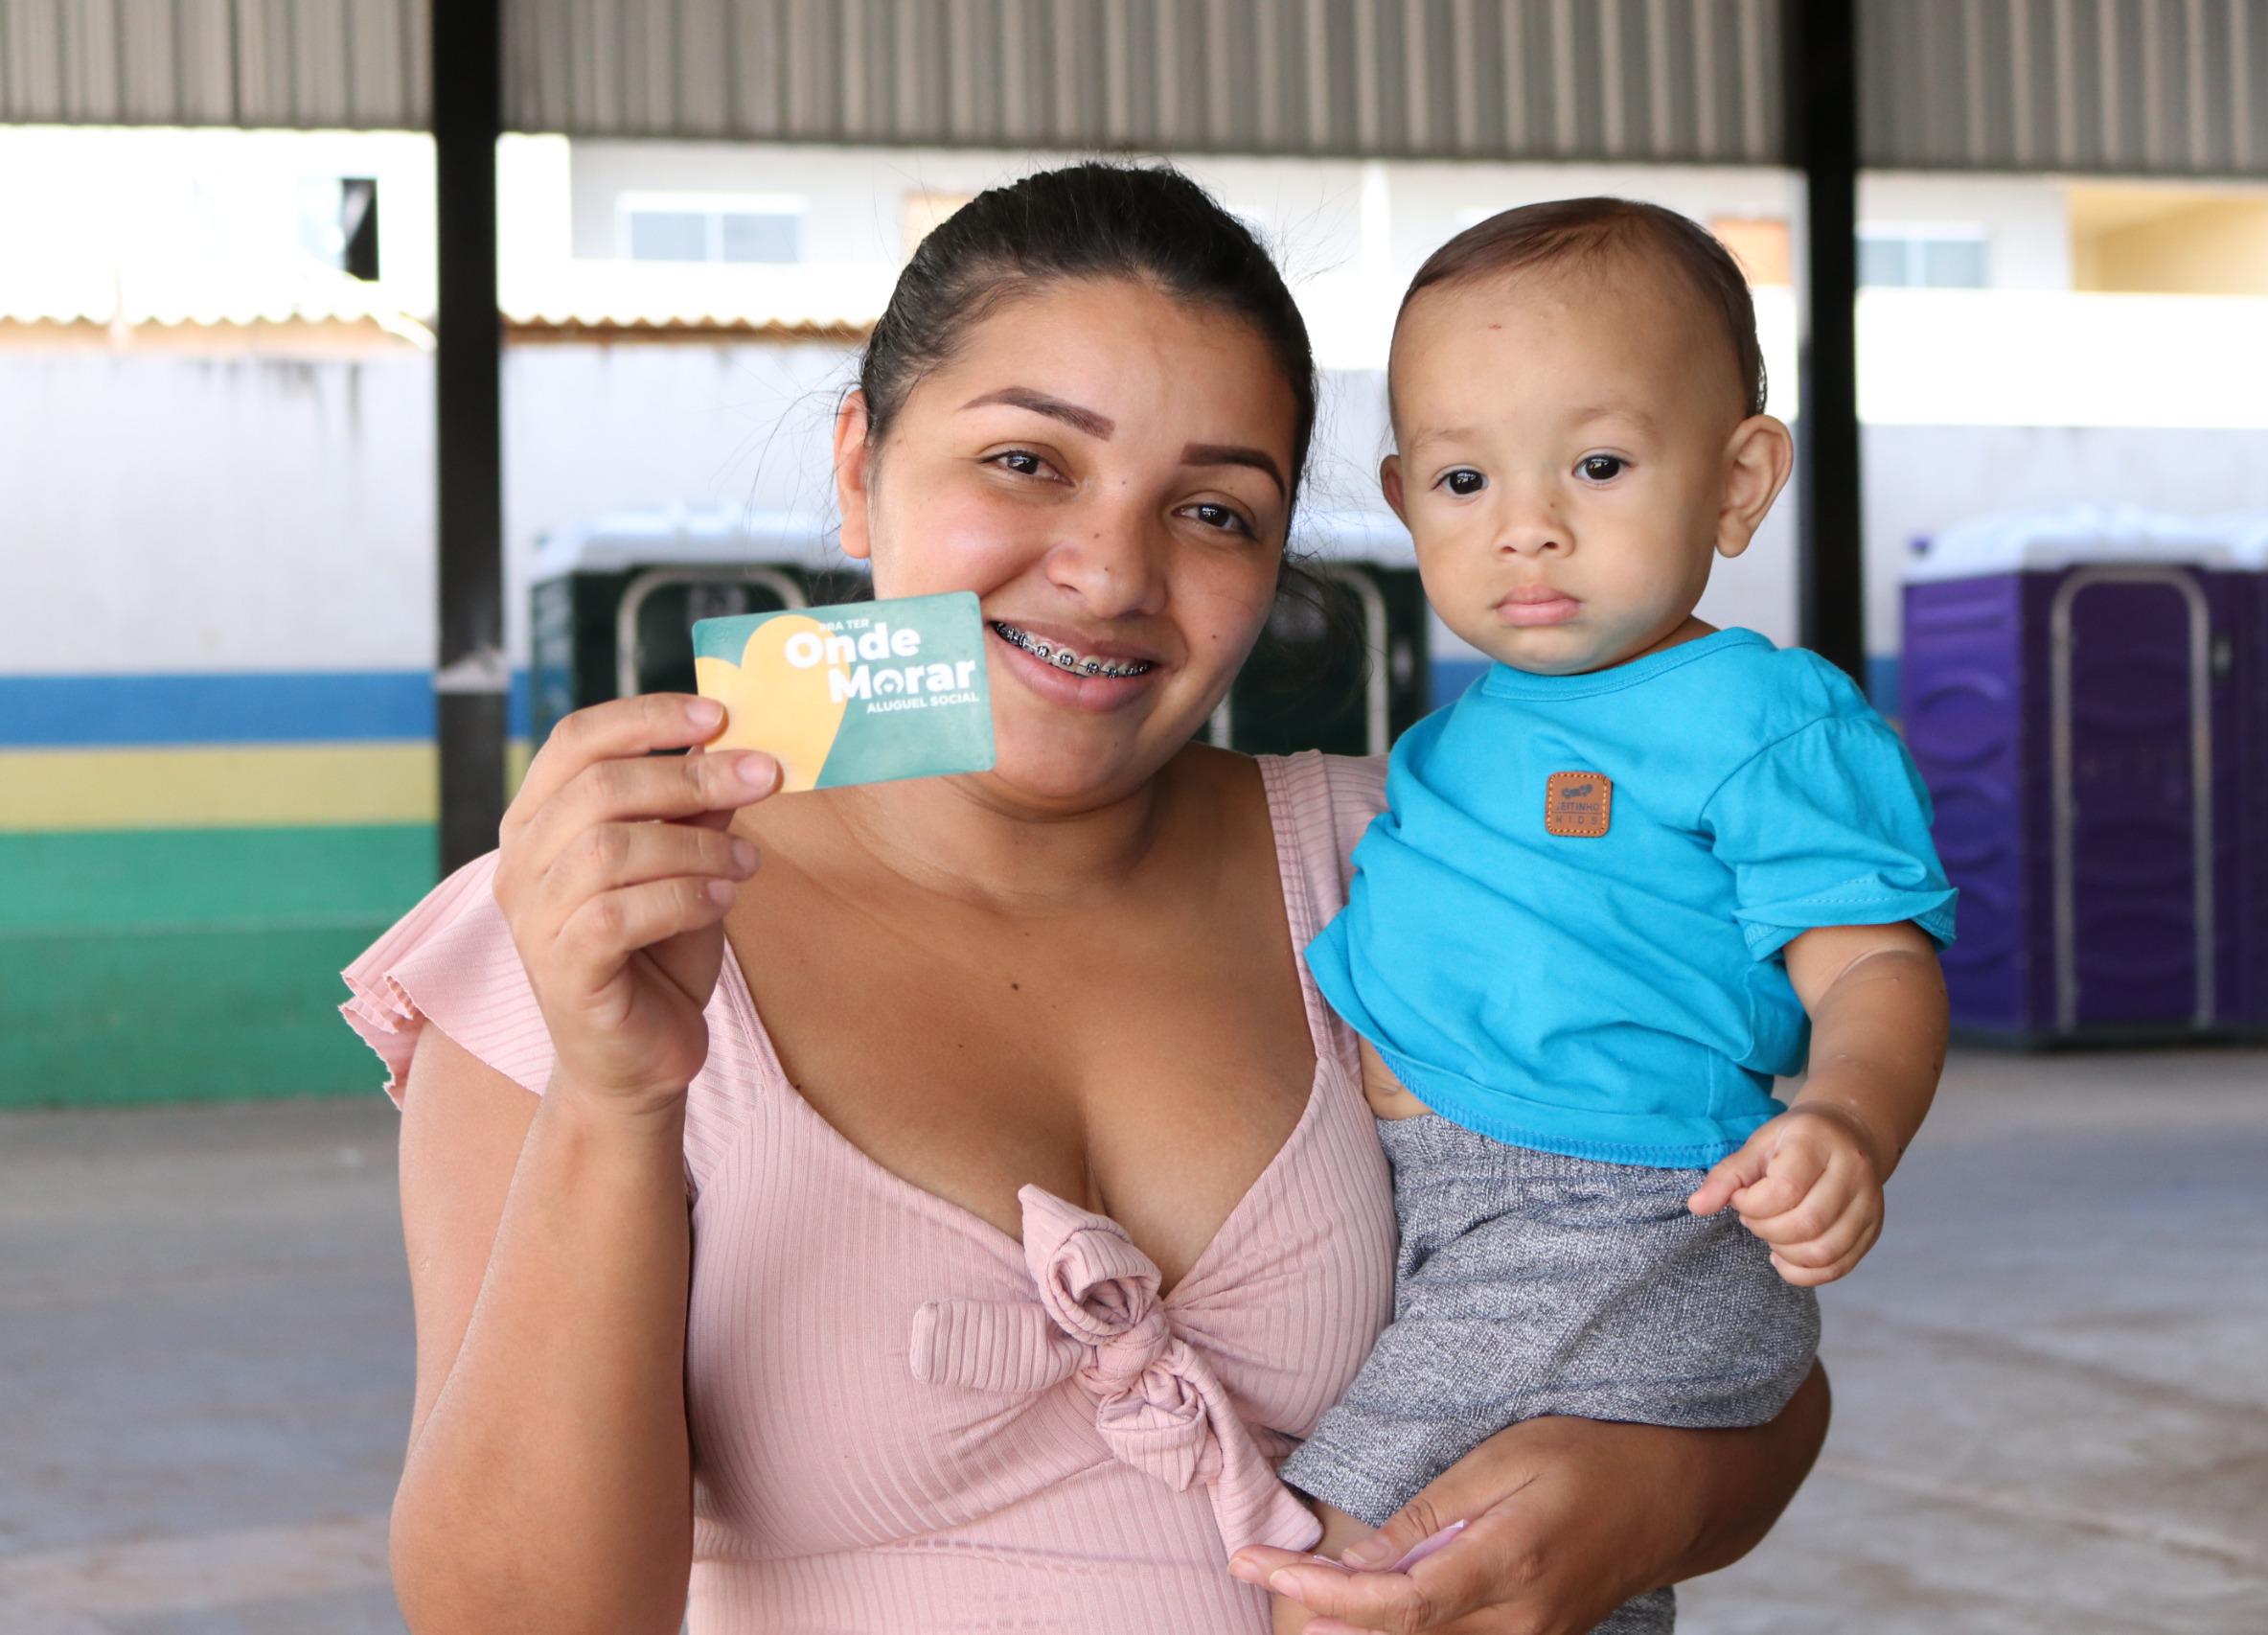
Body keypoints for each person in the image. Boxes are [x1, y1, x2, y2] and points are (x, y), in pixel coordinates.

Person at [343, 163, 1829, 1635]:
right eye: (1026, 461)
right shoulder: (589, 932)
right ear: (860, 467)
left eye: (1215, 510)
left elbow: (1729, 1341)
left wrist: (1637, 1502)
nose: (1112, 573)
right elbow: (513, 1619)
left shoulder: (1416, 860)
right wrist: (613, 1097)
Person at [1271, 199, 1957, 1634]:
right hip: (1434, 1205)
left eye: (1597, 464)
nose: (1527, 525)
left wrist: (1848, 1121)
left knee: (1348, 1556)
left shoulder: (1762, 717)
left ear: (1738, 480)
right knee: (1551, 1577)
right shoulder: (1451, 739)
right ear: (1404, 501)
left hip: (1609, 1209)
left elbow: (1874, 966)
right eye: (1464, 478)